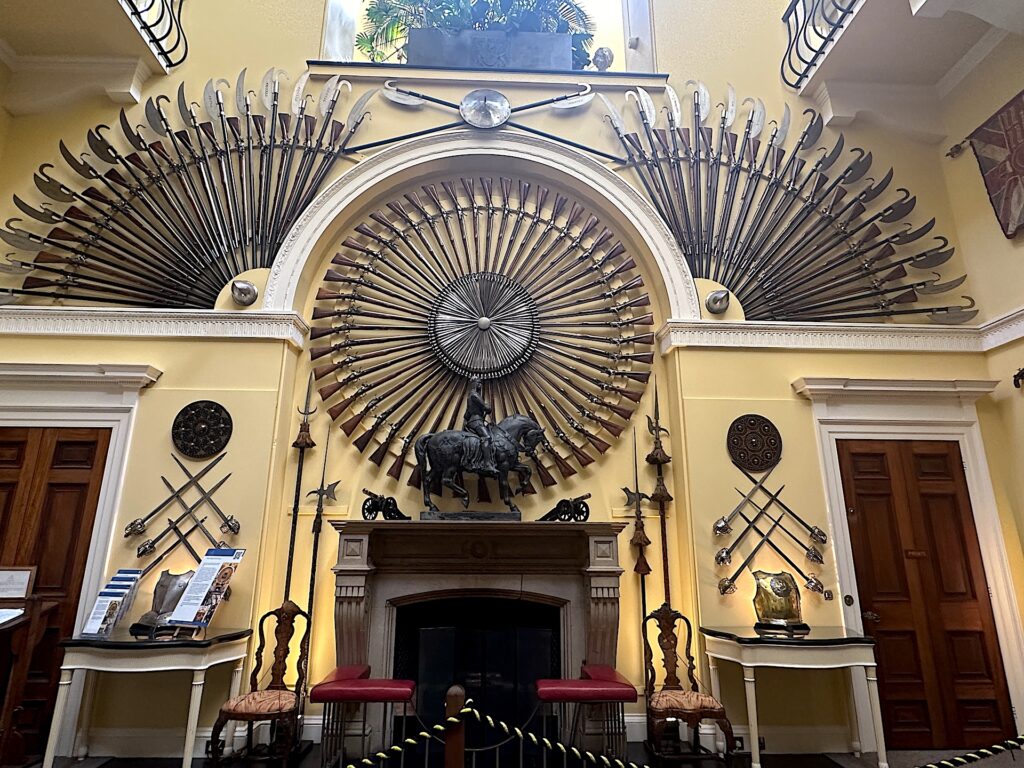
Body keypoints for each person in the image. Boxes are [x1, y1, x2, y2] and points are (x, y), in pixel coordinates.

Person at [463, 378, 495, 473]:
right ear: (475, 384)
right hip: (477, 421)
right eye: (479, 383)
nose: (480, 385)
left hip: (473, 421)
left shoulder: (470, 396)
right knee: (487, 438)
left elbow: (467, 414)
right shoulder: (475, 395)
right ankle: (487, 464)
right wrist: (488, 407)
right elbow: (486, 407)